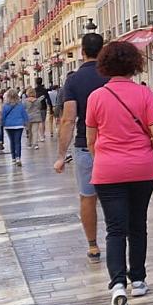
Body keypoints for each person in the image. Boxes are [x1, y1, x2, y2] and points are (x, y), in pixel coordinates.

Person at [85, 42, 153, 305]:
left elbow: (91, 140)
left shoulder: (96, 97)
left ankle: (118, 285)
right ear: (135, 64)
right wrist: (147, 149)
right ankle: (139, 280)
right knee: (138, 225)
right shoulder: (144, 94)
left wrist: (106, 157)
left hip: (108, 170)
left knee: (115, 229)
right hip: (142, 168)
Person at [54, 36, 109, 263]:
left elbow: (68, 119)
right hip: (112, 146)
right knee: (114, 198)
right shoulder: (110, 76)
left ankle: (93, 246)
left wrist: (60, 155)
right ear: (102, 50)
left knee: (88, 198)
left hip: (84, 146)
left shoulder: (74, 81)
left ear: (82, 52)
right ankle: (118, 239)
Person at [1, 89, 28, 166]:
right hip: (19, 125)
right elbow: (24, 115)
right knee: (18, 141)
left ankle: (13, 158)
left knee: (11, 141)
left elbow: (2, 116)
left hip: (8, 125)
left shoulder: (5, 106)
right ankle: (18, 158)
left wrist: (2, 124)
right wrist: (26, 123)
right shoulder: (20, 105)